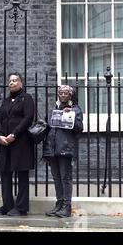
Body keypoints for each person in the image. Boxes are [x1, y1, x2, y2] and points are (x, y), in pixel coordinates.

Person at [0, 72, 34, 216]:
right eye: (10, 81)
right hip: (5, 143)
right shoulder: (5, 101)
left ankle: (21, 208)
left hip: (21, 143)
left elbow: (28, 119)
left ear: (21, 83)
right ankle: (7, 205)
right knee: (5, 174)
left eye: (15, 80)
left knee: (22, 175)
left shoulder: (26, 98)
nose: (12, 83)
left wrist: (14, 134)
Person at [43, 85, 83, 218]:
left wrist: (69, 115)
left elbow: (79, 128)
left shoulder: (76, 109)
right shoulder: (55, 109)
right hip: (52, 149)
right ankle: (59, 204)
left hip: (65, 149)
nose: (63, 95)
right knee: (56, 178)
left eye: (66, 93)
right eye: (61, 93)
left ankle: (67, 207)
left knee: (65, 178)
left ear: (71, 95)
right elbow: (50, 127)